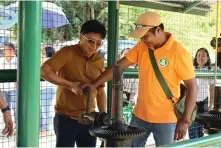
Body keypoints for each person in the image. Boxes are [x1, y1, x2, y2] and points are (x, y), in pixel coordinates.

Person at [77, 12, 197, 146]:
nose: (143, 40)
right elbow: (118, 67)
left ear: (158, 30)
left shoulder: (179, 53)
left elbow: (192, 87)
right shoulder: (142, 47)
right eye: (141, 37)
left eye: (146, 36)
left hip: (167, 119)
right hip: (139, 116)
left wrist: (185, 120)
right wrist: (93, 84)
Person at [41, 20, 107, 147]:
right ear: (81, 36)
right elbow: (44, 71)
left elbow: (100, 91)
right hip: (66, 118)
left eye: (98, 43)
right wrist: (70, 85)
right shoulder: (67, 52)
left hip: (90, 119)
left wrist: (103, 117)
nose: (94, 46)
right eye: (91, 41)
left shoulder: (99, 61)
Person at [188, 48, 214, 139]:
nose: (201, 57)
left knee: (200, 128)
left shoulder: (210, 71)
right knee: (191, 126)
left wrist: (211, 103)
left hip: (204, 101)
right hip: (192, 101)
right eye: (198, 55)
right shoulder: (191, 70)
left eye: (204, 55)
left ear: (207, 58)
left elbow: (212, 88)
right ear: (196, 57)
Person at [40, 46, 56, 136]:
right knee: (41, 109)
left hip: (48, 88)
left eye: (43, 51)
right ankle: (41, 128)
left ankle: (46, 129)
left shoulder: (50, 61)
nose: (41, 52)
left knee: (45, 109)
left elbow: (44, 65)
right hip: (42, 88)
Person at [0, 43, 17, 118]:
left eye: (5, 50)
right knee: (6, 110)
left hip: (14, 90)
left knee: (17, 109)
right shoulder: (1, 61)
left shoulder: (18, 61)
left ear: (12, 51)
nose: (3, 52)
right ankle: (9, 126)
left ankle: (18, 126)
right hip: (3, 89)